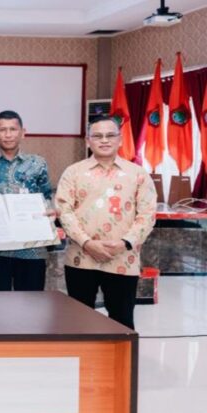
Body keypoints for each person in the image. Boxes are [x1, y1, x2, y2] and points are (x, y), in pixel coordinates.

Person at [56, 115, 157, 329]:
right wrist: (87, 243)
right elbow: (64, 211)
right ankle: (83, 362)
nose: (104, 140)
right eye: (98, 136)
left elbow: (147, 214)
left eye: (110, 135)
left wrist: (124, 243)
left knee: (121, 321)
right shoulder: (73, 172)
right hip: (81, 258)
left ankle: (119, 363)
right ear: (88, 140)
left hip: (122, 259)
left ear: (120, 139)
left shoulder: (137, 174)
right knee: (79, 320)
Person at [0, 110, 55, 291]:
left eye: (13, 129)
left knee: (32, 305)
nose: (8, 135)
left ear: (23, 132)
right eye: (2, 130)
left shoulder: (38, 163)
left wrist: (51, 210)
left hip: (32, 248)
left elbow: (46, 198)